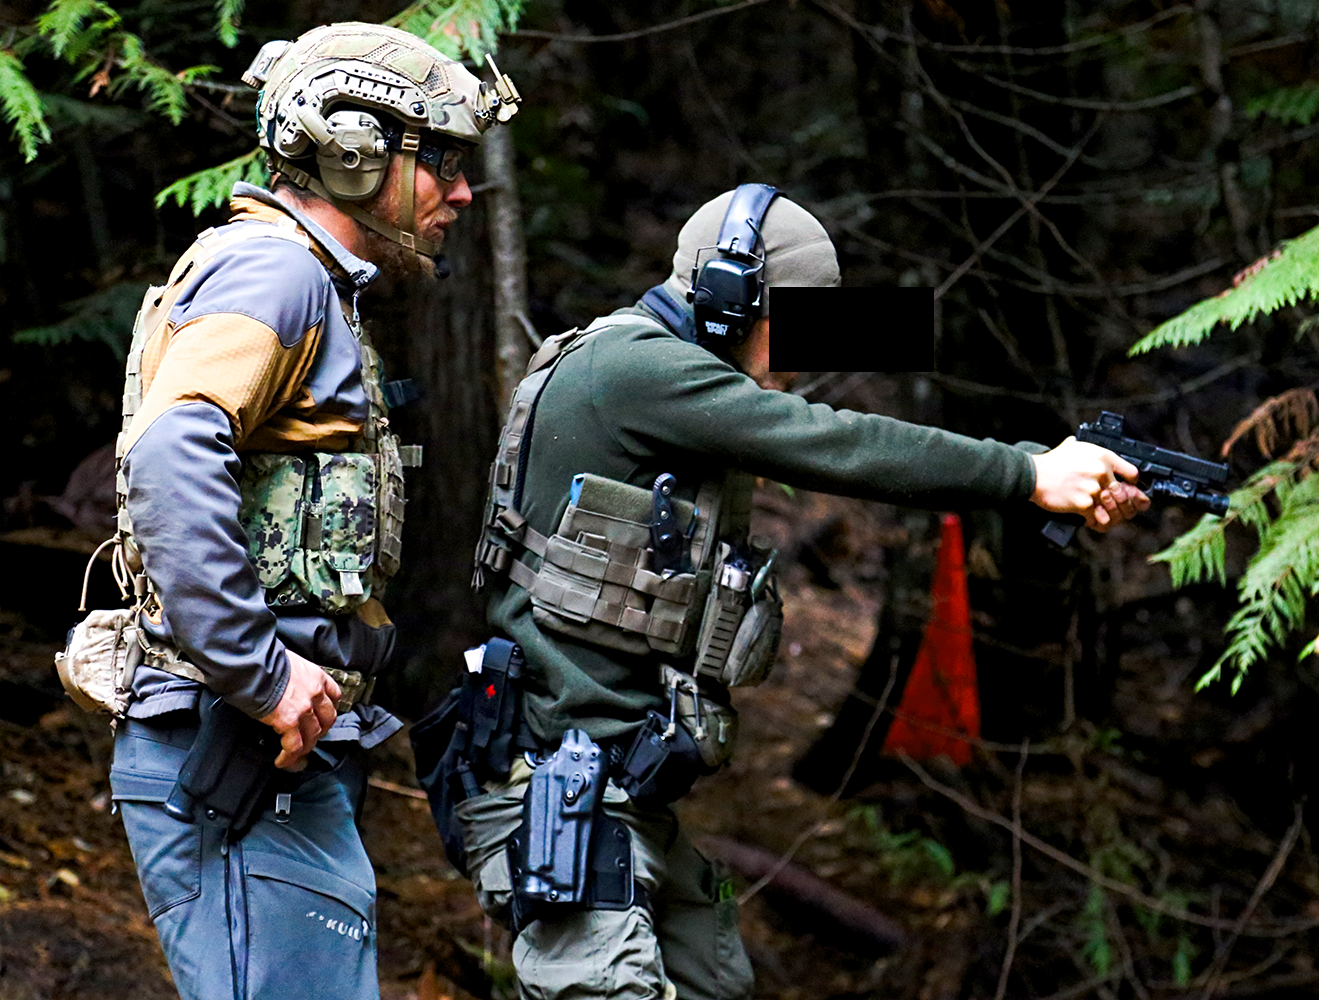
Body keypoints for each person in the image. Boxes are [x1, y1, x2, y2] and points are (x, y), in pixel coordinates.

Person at [443, 184, 1147, 1000]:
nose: (805, 357)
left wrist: (1048, 464)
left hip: (618, 791)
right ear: (726, 299)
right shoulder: (637, 369)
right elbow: (834, 442)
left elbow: (853, 422)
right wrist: (1027, 475)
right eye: (795, 323)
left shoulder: (661, 372)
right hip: (564, 793)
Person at [105, 23, 518, 999]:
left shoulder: (309, 282)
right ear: (352, 152)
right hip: (235, 746)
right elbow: (170, 452)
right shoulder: (275, 272)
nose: (461, 192)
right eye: (442, 161)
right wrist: (258, 673)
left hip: (272, 751)